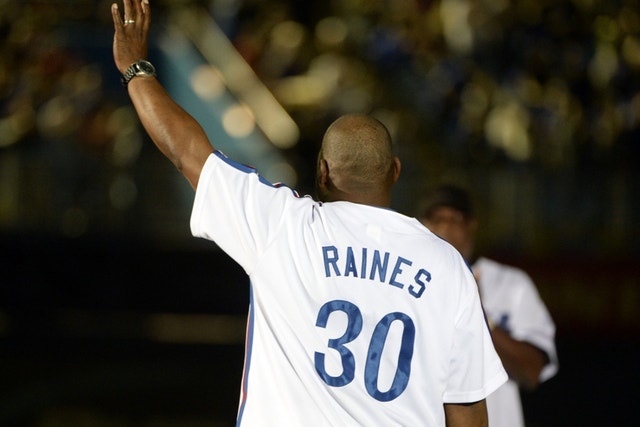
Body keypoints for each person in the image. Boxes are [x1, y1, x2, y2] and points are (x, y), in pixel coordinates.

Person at [110, 1, 507, 425]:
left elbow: (187, 150)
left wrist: (136, 68)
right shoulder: (447, 266)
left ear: (322, 171)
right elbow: (467, 412)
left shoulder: (282, 225)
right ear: (395, 171)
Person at [417, 184, 559, 427]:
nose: (445, 227)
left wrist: (479, 316)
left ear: (471, 225)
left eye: (454, 218)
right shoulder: (405, 282)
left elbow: (531, 371)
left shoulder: (510, 284)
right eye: (436, 218)